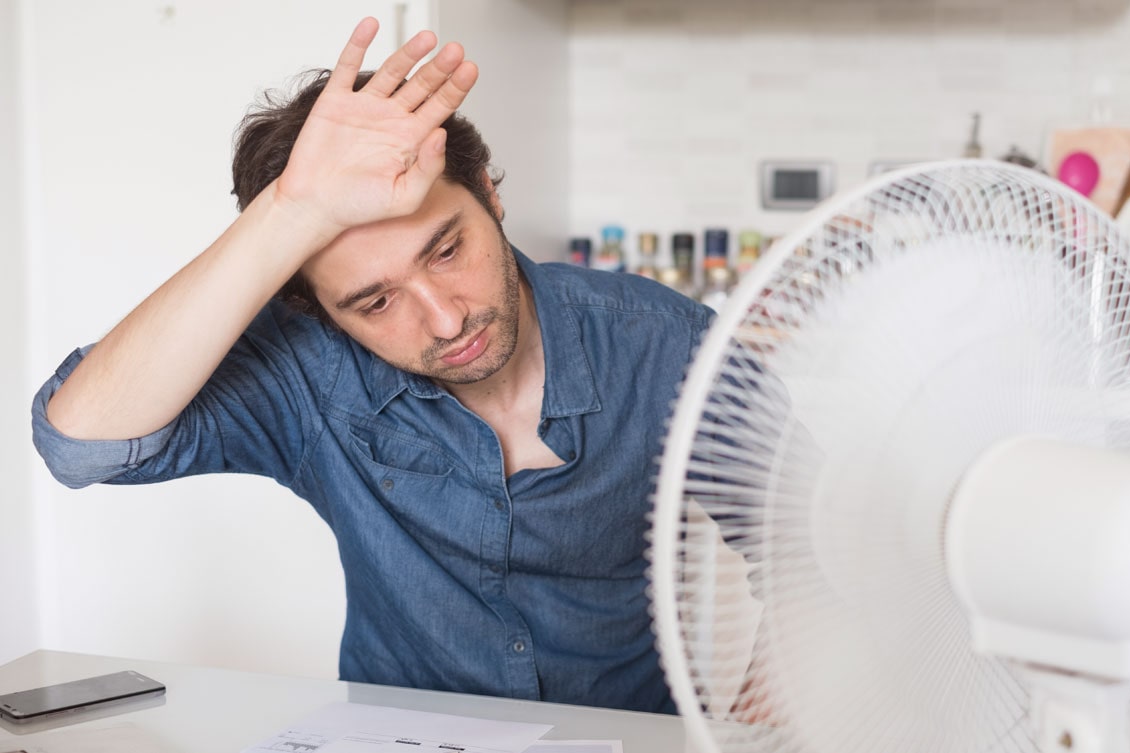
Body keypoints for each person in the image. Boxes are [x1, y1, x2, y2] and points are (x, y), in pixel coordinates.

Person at [30, 18, 713, 715]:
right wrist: (292, 214)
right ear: (319, 311)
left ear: (488, 191)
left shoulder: (666, 345)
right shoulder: (309, 373)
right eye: (376, 301)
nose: (447, 321)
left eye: (446, 251)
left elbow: (813, 548)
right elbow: (79, 445)